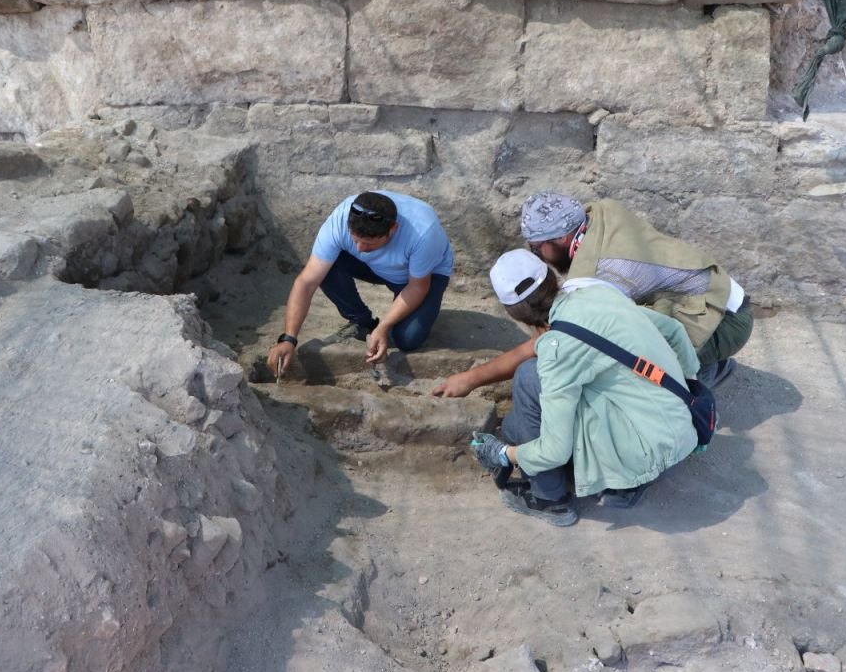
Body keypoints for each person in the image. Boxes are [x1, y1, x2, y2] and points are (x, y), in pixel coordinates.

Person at [433, 192, 752, 398]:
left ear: (558, 238)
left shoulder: (597, 276)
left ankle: (697, 379)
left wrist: (472, 378)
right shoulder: (601, 211)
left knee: (623, 372)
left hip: (725, 321)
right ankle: (705, 360)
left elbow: (545, 344)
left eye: (537, 247)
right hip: (721, 293)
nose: (539, 255)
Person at [469, 250, 700, 526]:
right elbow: (674, 330)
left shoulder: (556, 347)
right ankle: (624, 484)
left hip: (645, 458)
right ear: (551, 278)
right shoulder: (598, 293)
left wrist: (503, 454)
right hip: (684, 435)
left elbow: (555, 449)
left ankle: (549, 499)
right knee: (517, 424)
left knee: (529, 376)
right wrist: (688, 393)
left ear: (513, 312)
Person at [268, 191, 453, 377]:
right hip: (377, 268)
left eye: (369, 244)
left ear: (393, 229)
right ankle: (363, 322)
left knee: (407, 339)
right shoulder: (341, 219)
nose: (360, 249)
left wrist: (384, 327)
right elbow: (307, 281)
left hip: (421, 276)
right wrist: (288, 339)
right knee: (325, 266)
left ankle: (392, 323)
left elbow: (417, 287)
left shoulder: (423, 232)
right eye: (355, 239)